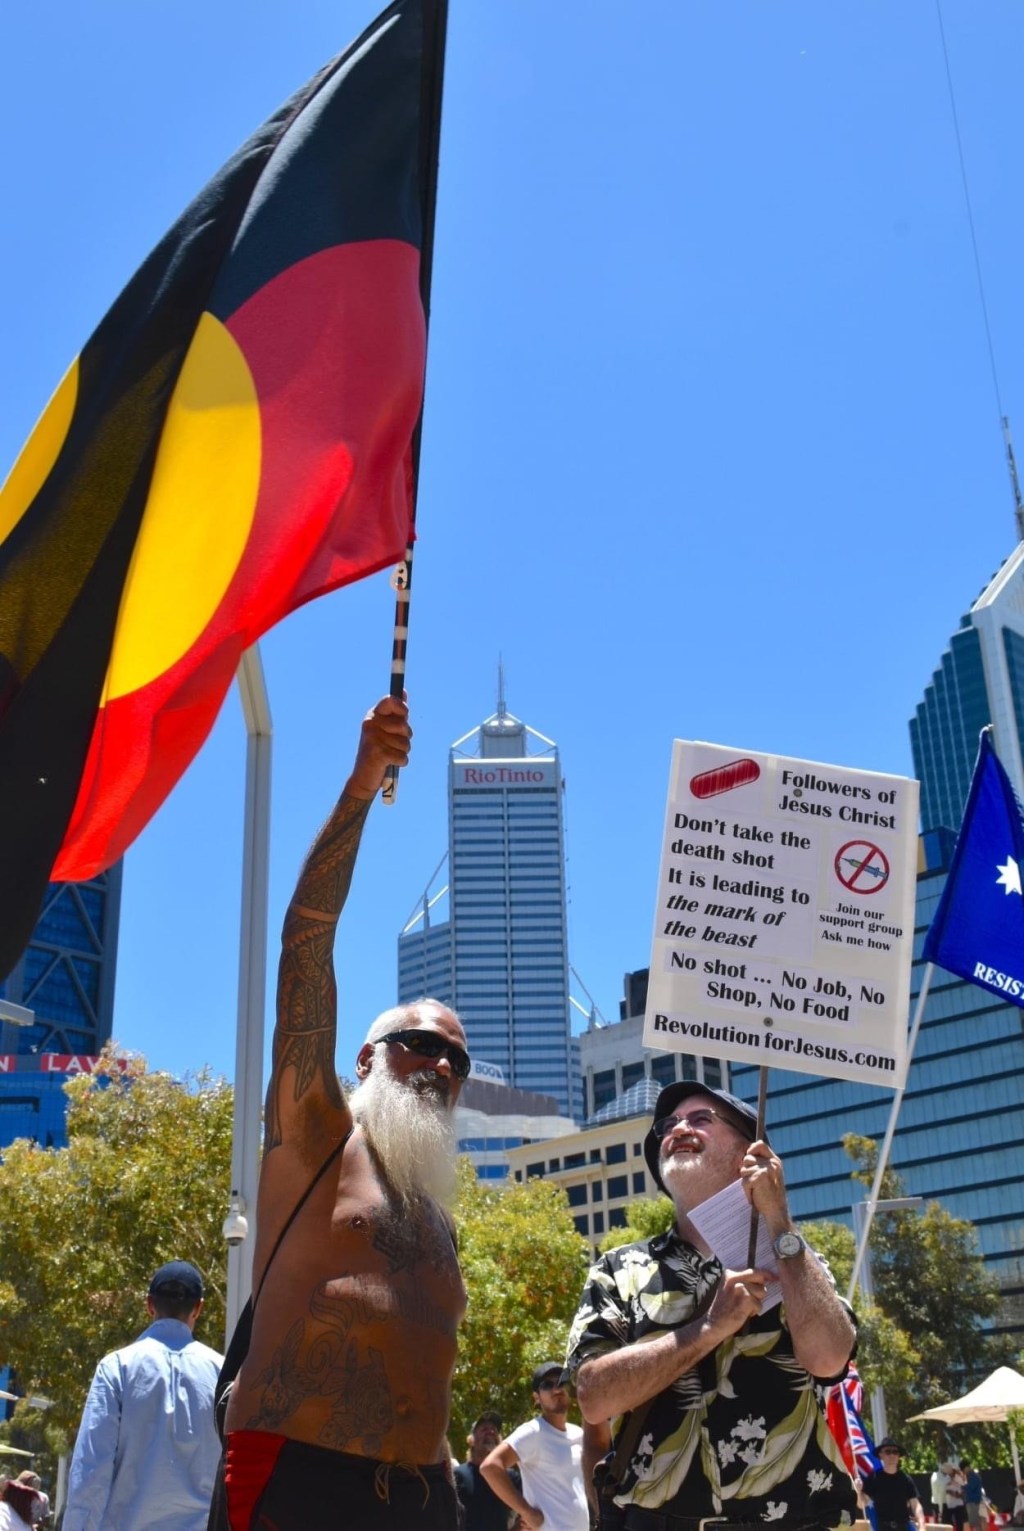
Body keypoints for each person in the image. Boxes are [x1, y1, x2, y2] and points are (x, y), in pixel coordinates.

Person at [217, 697, 469, 1529]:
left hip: (426, 1496)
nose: (438, 1064)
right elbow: (306, 943)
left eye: (455, 1058)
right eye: (417, 1044)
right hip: (298, 1482)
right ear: (365, 1059)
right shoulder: (318, 1132)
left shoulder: (438, 1210)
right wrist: (362, 784)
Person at [567, 1081, 859, 1530]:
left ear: (753, 1153)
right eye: (668, 1124)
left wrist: (779, 1219)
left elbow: (830, 1358)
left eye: (700, 1119)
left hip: (796, 1518)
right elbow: (593, 1398)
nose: (678, 1128)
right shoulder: (618, 1268)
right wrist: (709, 1327)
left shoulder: (800, 1260)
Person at [63, 1260, 223, 1531]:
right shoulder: (222, 1372)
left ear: (150, 1304)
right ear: (199, 1308)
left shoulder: (117, 1368)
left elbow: (91, 1470)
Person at [481, 1364, 588, 1531]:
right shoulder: (533, 1431)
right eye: (547, 1385)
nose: (556, 1389)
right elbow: (490, 1467)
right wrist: (526, 1511)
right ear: (536, 1397)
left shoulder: (579, 1434)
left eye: (561, 1382)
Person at [456, 1412, 521, 1530]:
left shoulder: (510, 1477)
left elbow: (534, 1504)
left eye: (494, 1429)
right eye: (484, 1429)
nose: (490, 1432)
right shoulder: (458, 1475)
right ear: (471, 1440)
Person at [860, 1439, 926, 1531]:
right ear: (880, 1455)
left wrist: (922, 1526)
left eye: (895, 1452)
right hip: (882, 1528)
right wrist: (858, 1491)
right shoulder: (874, 1478)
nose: (892, 1455)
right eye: (888, 1451)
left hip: (903, 1527)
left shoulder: (905, 1479)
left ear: (899, 1455)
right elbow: (861, 1504)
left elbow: (916, 1505)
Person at [945, 1466, 966, 1531]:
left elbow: (964, 1487)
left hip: (959, 1504)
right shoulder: (946, 1478)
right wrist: (954, 1494)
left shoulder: (959, 1478)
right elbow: (946, 1490)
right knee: (950, 1523)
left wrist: (959, 1495)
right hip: (950, 1504)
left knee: (960, 1523)